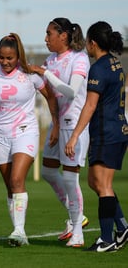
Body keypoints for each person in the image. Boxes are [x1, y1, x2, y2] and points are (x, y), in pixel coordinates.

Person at [0, 33, 59, 247]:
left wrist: (56, 123)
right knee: (10, 186)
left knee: (17, 180)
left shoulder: (30, 74)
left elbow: (50, 96)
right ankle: (20, 233)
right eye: (1, 57)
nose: (5, 62)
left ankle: (18, 231)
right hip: (0, 135)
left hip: (25, 132)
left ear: (17, 56)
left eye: (9, 58)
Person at [65, 21, 128, 252]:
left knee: (103, 186)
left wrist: (74, 137)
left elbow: (90, 106)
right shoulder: (115, 63)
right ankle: (121, 227)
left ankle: (107, 239)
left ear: (92, 43)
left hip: (106, 133)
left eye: (88, 44)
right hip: (118, 130)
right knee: (96, 182)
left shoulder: (99, 68)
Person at [30, 17, 90, 247]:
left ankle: (77, 232)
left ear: (63, 36)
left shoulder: (79, 58)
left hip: (75, 124)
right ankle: (77, 216)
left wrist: (45, 73)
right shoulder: (51, 60)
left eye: (49, 34)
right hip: (58, 124)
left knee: (69, 176)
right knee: (47, 171)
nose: (46, 38)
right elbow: (47, 90)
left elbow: (72, 92)